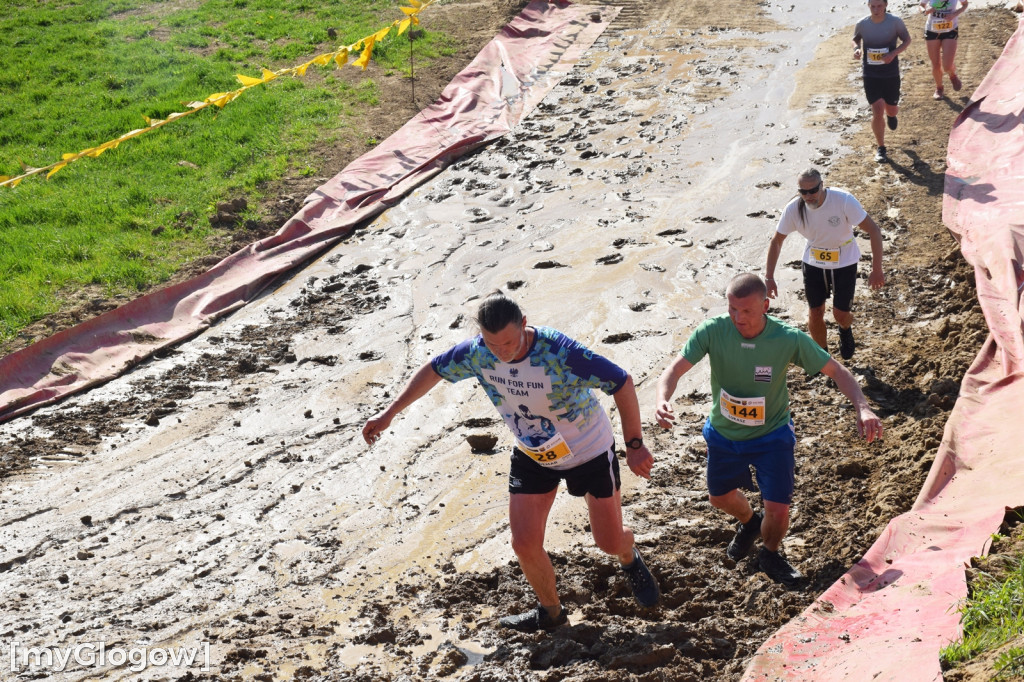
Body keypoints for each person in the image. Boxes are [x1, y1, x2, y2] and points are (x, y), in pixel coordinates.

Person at [362, 291, 660, 631]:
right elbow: (433, 370)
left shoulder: (558, 352)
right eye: (493, 345)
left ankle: (628, 555)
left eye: (509, 343)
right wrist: (389, 414)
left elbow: (621, 381)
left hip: (589, 451)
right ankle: (551, 614)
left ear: (524, 324)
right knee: (524, 543)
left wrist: (634, 444)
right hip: (533, 453)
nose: (502, 353)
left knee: (608, 542)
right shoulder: (476, 353)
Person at [654, 273, 883, 588]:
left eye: (746, 311)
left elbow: (837, 371)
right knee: (719, 497)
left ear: (765, 305)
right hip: (724, 435)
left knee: (778, 506)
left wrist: (862, 406)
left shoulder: (787, 339)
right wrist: (662, 399)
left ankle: (771, 553)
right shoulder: (712, 331)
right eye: (733, 309)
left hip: (772, 436)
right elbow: (674, 369)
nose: (738, 318)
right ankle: (750, 523)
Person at [764, 168, 885, 361]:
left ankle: (845, 329)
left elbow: (874, 231)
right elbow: (776, 241)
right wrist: (769, 277)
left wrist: (877, 269)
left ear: (822, 186)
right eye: (803, 192)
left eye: (813, 191)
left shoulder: (843, 200)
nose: (809, 196)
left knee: (840, 314)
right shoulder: (794, 209)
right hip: (814, 261)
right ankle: (822, 357)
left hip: (844, 260)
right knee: (815, 311)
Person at [853, 0, 912, 163]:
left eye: (879, 6)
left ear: (885, 5)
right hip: (870, 74)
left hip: (890, 73)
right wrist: (856, 49)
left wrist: (893, 53)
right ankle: (881, 148)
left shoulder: (895, 22)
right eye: (873, 6)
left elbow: (907, 40)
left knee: (891, 109)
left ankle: (892, 115)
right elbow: (856, 39)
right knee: (877, 110)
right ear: (868, 6)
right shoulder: (862, 23)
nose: (876, 9)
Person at [920, 0, 969, 99]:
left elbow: (965, 4)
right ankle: (939, 88)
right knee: (936, 64)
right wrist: (925, 10)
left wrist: (954, 14)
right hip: (932, 30)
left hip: (950, 30)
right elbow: (921, 5)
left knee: (947, 65)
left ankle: (952, 75)